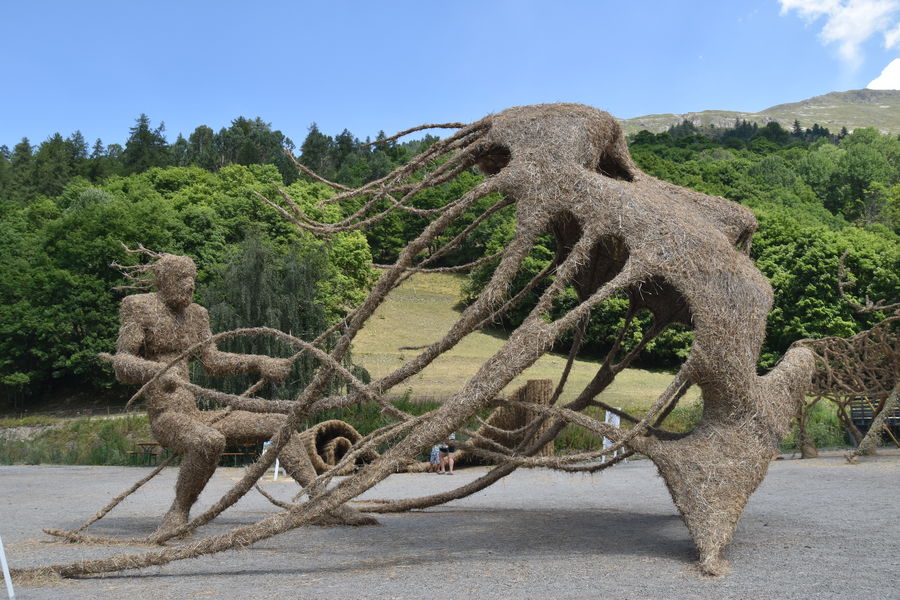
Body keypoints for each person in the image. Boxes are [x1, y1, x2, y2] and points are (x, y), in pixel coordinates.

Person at [110, 251, 325, 534]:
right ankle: (179, 513)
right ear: (163, 280)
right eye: (182, 278)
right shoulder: (138, 307)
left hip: (196, 415)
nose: (190, 285)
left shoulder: (197, 315)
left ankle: (322, 501)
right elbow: (121, 364)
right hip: (168, 416)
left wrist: (258, 362)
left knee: (279, 422)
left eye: (193, 279)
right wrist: (155, 372)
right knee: (209, 441)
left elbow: (212, 362)